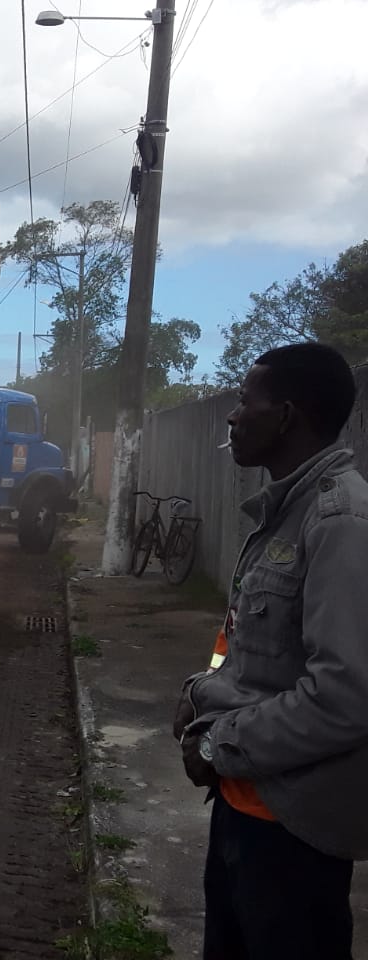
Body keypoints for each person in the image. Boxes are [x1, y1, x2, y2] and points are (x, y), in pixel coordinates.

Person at [174, 342, 368, 959]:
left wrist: (217, 742)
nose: (232, 418)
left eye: (242, 402)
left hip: (293, 833)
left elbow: (344, 695)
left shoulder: (339, 522)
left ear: (284, 415)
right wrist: (201, 693)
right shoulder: (284, 513)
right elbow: (251, 652)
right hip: (241, 808)